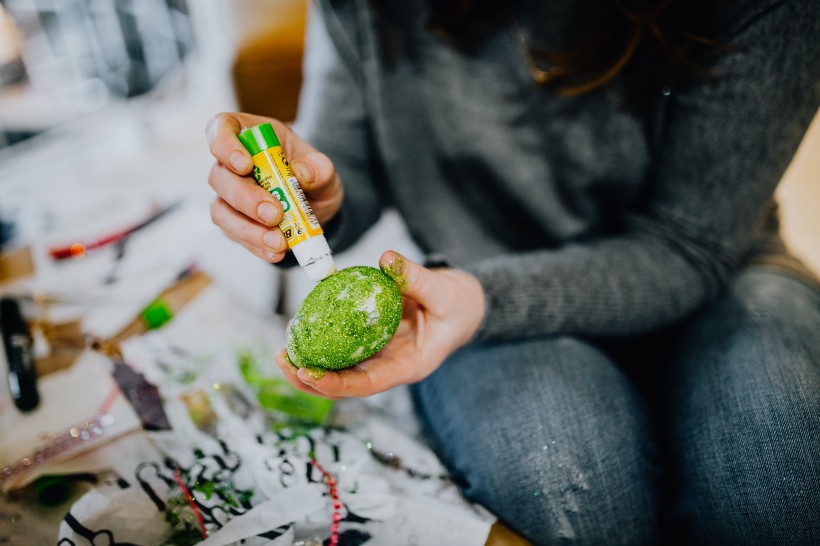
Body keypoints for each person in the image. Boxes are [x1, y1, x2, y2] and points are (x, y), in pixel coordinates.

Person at [206, 0, 820, 543]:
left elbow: (687, 243)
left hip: (711, 271)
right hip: (472, 284)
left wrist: (481, 299)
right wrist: (312, 202)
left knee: (777, 486)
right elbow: (352, 165)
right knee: (570, 482)